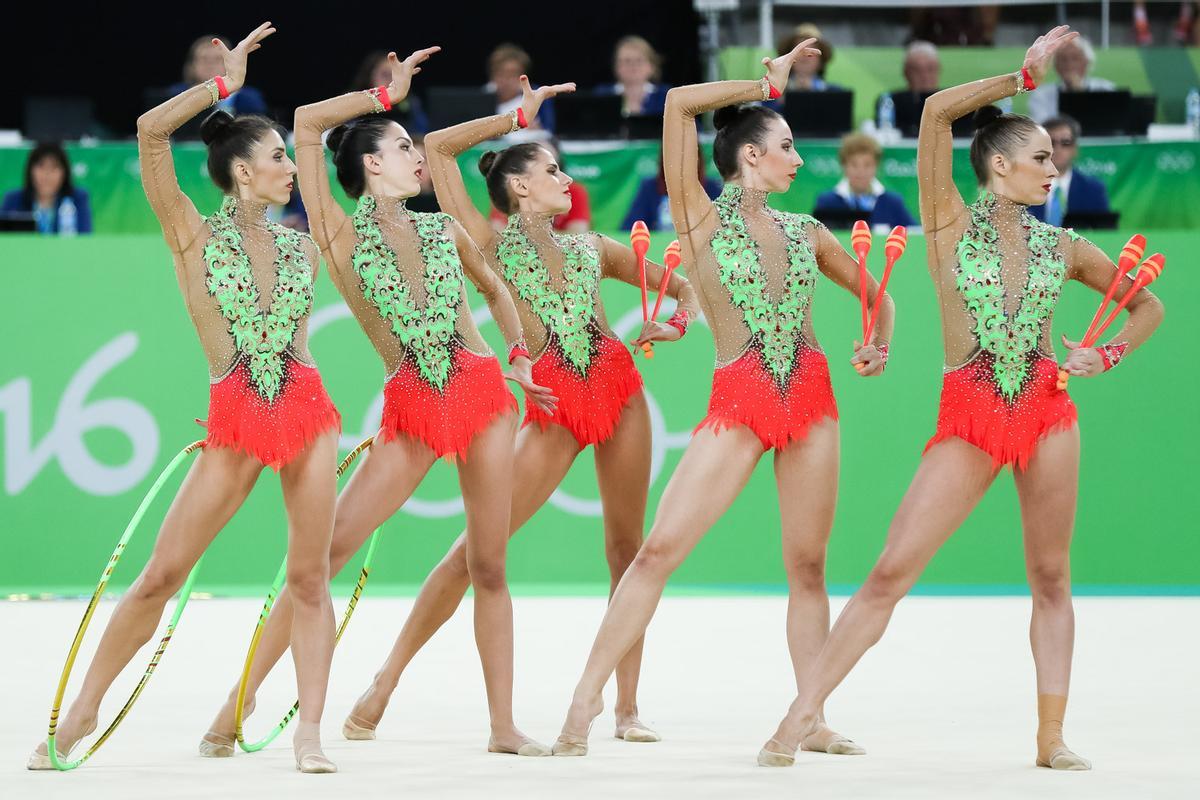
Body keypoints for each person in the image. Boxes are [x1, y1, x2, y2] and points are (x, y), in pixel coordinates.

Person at [759, 26, 1163, 771]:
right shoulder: (947, 224)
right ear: (1000, 164)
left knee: (1050, 576)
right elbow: (935, 115)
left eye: (1054, 158)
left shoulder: (1065, 244)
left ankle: (1051, 738)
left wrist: (1103, 353)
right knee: (889, 571)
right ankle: (798, 715)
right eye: (1041, 157)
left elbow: (1149, 307)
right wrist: (1018, 77)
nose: (1053, 168)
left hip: (1047, 411)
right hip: (972, 412)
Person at [200, 46, 556, 759]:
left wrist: (517, 353)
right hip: (414, 411)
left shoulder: (440, 228)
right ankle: (231, 709)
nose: (414, 156)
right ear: (370, 165)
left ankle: (503, 726)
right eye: (401, 149)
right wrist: (379, 99)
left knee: (490, 565)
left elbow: (495, 289)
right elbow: (303, 127)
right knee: (320, 560)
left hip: (484, 397)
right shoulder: (337, 234)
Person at [338, 74, 701, 747]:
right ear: (521, 188)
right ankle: (384, 681)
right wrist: (512, 120)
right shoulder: (490, 244)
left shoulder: (594, 249)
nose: (567, 179)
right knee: (476, 555)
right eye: (553, 170)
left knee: (629, 548)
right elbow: (441, 157)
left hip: (619, 393)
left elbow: (685, 289)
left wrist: (673, 324)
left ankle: (625, 709)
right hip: (554, 403)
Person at [553, 39, 893, 758]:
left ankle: (811, 714)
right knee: (655, 553)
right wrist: (760, 83)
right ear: (748, 157)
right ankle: (583, 703)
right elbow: (677, 106)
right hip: (738, 397)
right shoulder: (700, 219)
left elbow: (877, 300)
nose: (799, 160)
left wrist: (877, 342)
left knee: (807, 567)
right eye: (787, 146)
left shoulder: (809, 231)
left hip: (812, 399)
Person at [29, 23, 345, 774]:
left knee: (309, 576)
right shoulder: (192, 237)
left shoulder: (303, 246)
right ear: (241, 173)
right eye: (277, 159)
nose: (289, 171)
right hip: (236, 416)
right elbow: (148, 135)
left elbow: (302, 340)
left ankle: (308, 734)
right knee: (161, 576)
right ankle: (80, 714)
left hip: (305, 410)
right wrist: (221, 86)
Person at [813, 133, 916, 231]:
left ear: (877, 166)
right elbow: (810, 238)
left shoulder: (893, 203)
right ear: (843, 166)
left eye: (867, 165)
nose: (861, 171)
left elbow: (915, 234)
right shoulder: (826, 202)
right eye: (854, 165)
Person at [489, 137, 590, 232]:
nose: (568, 180)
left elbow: (578, 233)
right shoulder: (510, 190)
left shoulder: (572, 191)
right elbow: (496, 231)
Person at [1028, 115, 1111, 226]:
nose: (1058, 149)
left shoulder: (1093, 190)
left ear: (1075, 148)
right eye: (1052, 142)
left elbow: (1104, 234)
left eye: (1065, 143)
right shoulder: (1025, 187)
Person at [621, 143, 721, 232]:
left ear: (698, 160)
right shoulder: (650, 188)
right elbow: (630, 228)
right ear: (664, 161)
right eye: (675, 157)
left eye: (687, 157)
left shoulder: (712, 189)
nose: (681, 164)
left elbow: (724, 230)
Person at [1, 142, 93, 234]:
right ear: (30, 171)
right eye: (41, 166)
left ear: (64, 173)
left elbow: (85, 236)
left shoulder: (78, 198)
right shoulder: (13, 199)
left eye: (54, 167)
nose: (47, 174)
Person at [169, 34, 268, 116]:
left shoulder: (248, 98)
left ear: (229, 64)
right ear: (192, 65)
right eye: (204, 59)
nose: (210, 64)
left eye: (217, 59)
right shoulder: (175, 94)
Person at [1027, 36, 1115, 124]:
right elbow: (1043, 127)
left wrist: (1079, 92)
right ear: (1056, 65)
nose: (1069, 64)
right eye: (1063, 59)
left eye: (1075, 58)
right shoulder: (1042, 95)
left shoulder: (1105, 89)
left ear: (1086, 62)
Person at [763, 23, 843, 115]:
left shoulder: (835, 93)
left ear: (821, 61)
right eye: (799, 50)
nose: (805, 56)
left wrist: (815, 93)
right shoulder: (769, 92)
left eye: (813, 50)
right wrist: (786, 97)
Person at [350, 49, 431, 135]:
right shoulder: (353, 101)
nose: (391, 80)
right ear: (370, 75)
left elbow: (420, 132)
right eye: (385, 74)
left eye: (394, 74)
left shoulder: (411, 102)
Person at [487, 44, 554, 141]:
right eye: (501, 74)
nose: (506, 80)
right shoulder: (481, 96)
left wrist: (538, 131)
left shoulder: (537, 96)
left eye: (512, 74)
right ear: (492, 75)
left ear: (523, 76)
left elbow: (549, 133)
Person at [595, 36, 670, 116]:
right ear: (616, 66)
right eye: (627, 61)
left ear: (652, 66)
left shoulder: (667, 96)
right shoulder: (602, 95)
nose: (633, 66)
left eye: (639, 60)